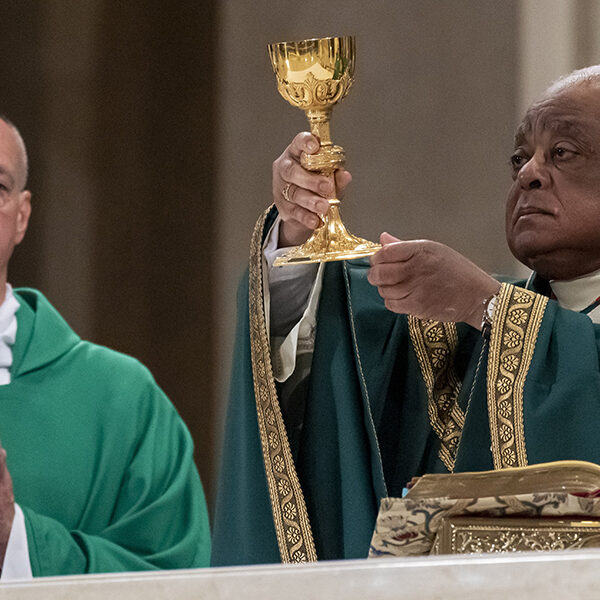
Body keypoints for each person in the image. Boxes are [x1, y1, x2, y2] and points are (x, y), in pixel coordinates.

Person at [212, 65, 600, 566]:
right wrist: (299, 240)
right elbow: (339, 353)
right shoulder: (463, 335)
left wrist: (487, 305)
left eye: (563, 153)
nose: (528, 173)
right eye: (520, 158)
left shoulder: (486, 311)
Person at [0, 115, 210, 578]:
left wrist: (15, 541)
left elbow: (176, 577)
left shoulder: (121, 398)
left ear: (22, 216)